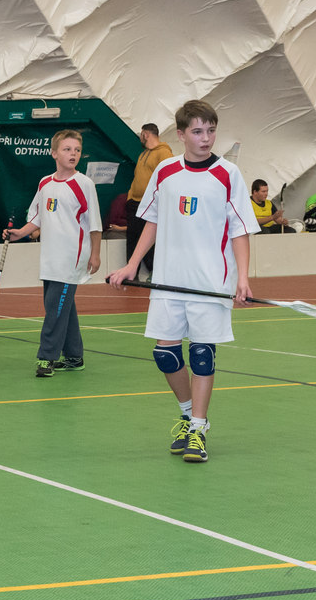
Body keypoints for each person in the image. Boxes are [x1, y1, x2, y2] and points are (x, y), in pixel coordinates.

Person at [106, 99, 257, 464]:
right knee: (165, 354)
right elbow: (152, 221)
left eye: (211, 131)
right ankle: (188, 414)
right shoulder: (166, 171)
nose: (206, 138)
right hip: (168, 281)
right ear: (181, 134)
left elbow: (239, 229)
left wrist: (243, 278)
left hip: (210, 282)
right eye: (198, 131)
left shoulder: (228, 174)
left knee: (202, 355)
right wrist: (132, 265)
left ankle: (199, 430)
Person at [3, 130, 100, 377]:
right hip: (50, 258)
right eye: (67, 149)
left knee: (55, 309)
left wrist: (95, 254)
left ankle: (46, 358)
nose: (73, 154)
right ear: (54, 153)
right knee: (62, 307)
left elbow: (95, 224)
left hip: (71, 258)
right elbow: (37, 217)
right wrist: (19, 233)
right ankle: (74, 357)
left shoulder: (84, 184)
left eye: (77, 150)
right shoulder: (45, 183)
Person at [126, 122, 172, 274]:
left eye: (141, 135)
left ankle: (156, 275)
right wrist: (130, 197)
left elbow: (167, 180)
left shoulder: (164, 153)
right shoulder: (143, 154)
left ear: (145, 134)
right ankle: (131, 274)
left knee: (149, 243)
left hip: (150, 206)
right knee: (132, 241)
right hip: (135, 204)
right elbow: (136, 178)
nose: (140, 138)